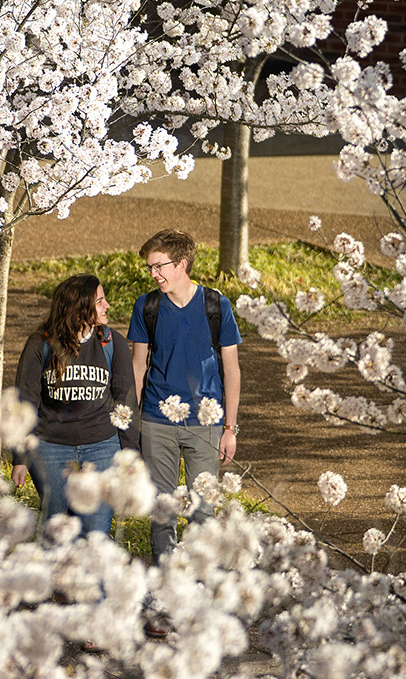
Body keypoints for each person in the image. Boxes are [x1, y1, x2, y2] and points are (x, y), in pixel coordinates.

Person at [128, 229, 241, 574]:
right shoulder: (147, 307)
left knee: (204, 511)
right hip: (156, 422)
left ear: (182, 264)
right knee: (162, 510)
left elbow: (232, 370)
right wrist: (134, 422)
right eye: (150, 268)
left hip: (204, 425)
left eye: (159, 266)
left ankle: (202, 582)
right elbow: (137, 366)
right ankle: (167, 581)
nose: (154, 274)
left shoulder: (215, 305)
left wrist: (230, 429)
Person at [13, 273, 139, 539]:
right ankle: (56, 582)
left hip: (102, 448)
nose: (107, 306)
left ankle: (93, 583)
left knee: (95, 534)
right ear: (80, 308)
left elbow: (125, 402)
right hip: (50, 450)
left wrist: (130, 457)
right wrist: (20, 457)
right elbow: (26, 401)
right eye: (100, 301)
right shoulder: (41, 344)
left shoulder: (112, 343)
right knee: (56, 531)